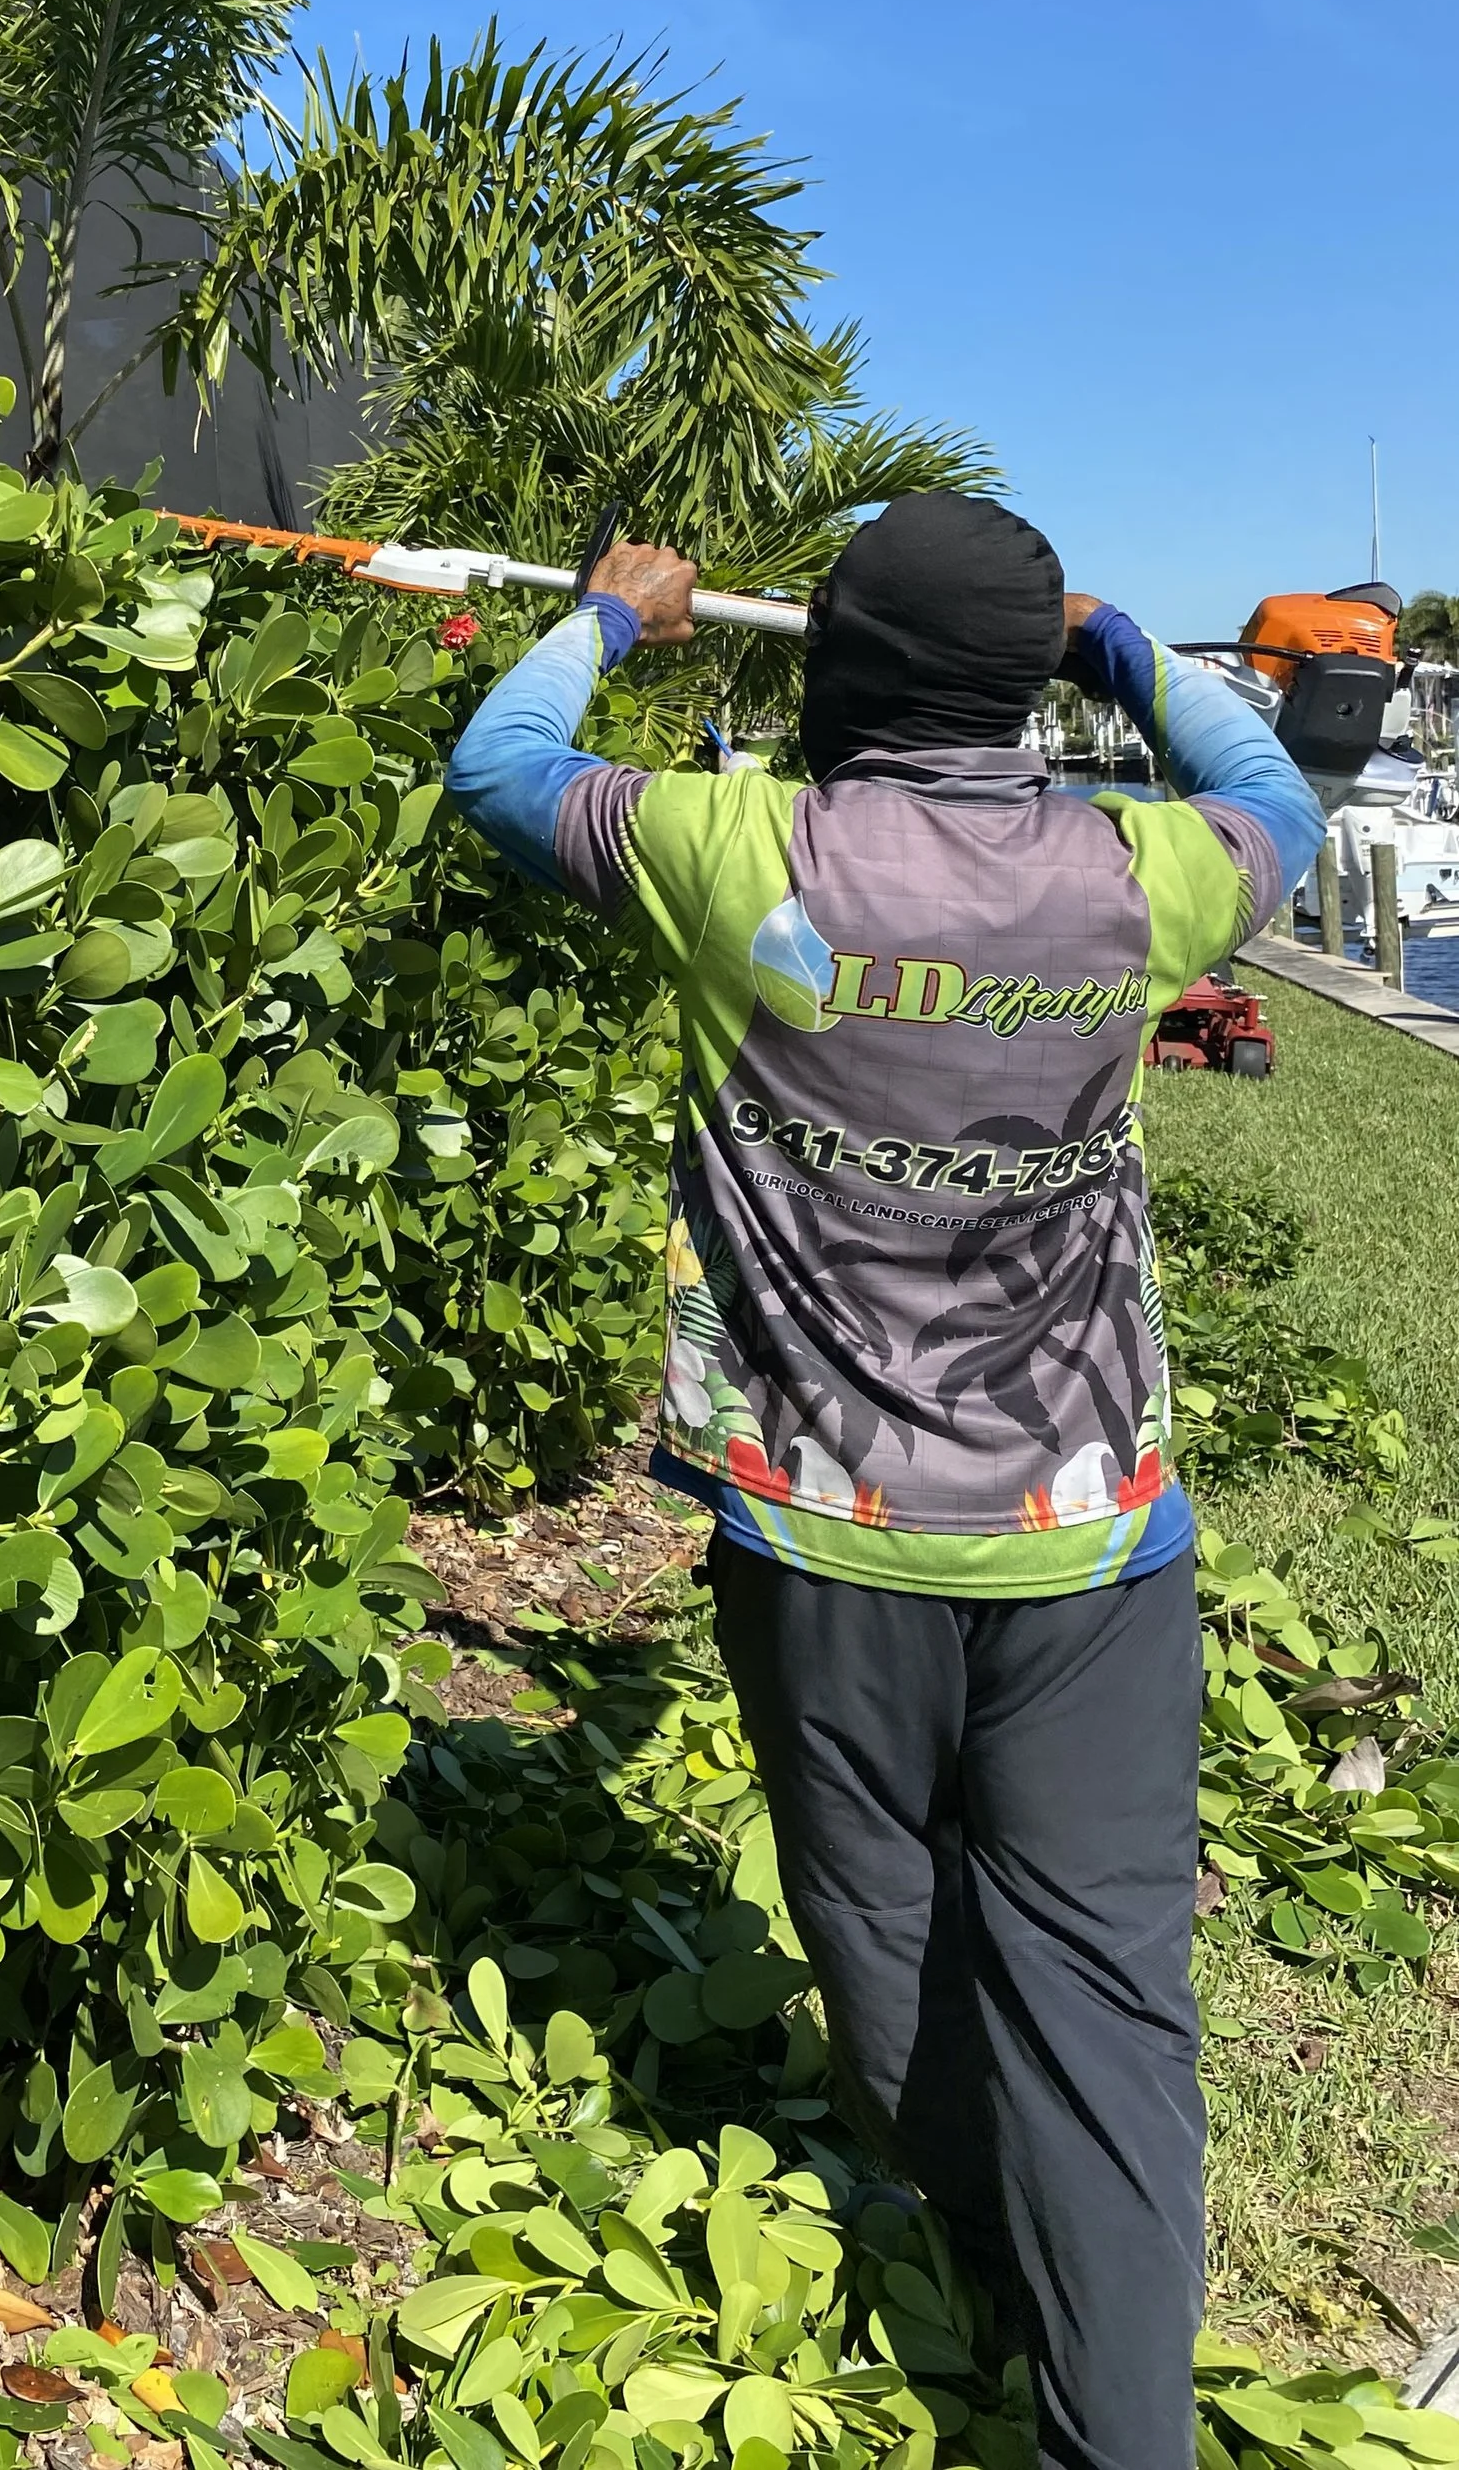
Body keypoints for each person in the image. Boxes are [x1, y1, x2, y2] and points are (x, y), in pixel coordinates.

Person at [443, 491, 1326, 2470]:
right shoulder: (1141, 879)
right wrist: (1129, 655)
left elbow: (495, 768)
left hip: (821, 1527)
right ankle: (1115, 2402)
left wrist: (605, 622)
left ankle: (988, 2244)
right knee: (1103, 1990)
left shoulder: (738, 853)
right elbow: (1281, 791)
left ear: (834, 664)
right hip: (1087, 1534)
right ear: (1021, 681)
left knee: (877, 1915)